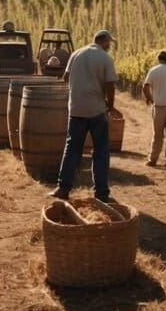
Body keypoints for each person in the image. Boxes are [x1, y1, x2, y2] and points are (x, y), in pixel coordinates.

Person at [49, 29, 119, 202]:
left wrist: (79, 85)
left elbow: (65, 78)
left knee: (71, 149)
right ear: (105, 41)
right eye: (109, 43)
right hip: (96, 110)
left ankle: (63, 188)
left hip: (76, 109)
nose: (110, 46)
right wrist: (110, 106)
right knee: (101, 151)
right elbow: (110, 85)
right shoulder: (105, 58)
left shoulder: (76, 54)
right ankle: (101, 193)